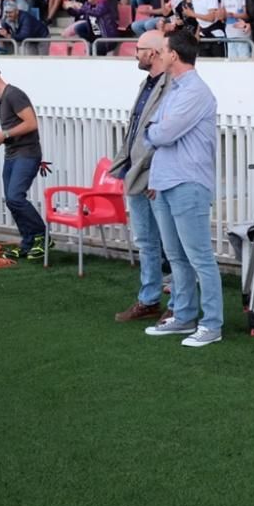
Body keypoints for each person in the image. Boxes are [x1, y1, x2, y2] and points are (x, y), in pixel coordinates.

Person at [143, 31, 223, 348]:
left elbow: (162, 133)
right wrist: (154, 178)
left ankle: (212, 324)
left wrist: (155, 131)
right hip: (165, 182)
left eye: (161, 51)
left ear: (173, 54)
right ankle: (185, 316)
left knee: (200, 257)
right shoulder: (174, 90)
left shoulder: (196, 92)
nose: (156, 55)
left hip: (188, 183)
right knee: (176, 257)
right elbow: (157, 130)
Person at [109, 31, 174, 322]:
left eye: (139, 49)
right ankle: (149, 300)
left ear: (154, 53)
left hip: (154, 176)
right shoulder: (147, 84)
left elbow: (164, 136)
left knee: (173, 244)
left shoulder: (173, 86)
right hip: (136, 173)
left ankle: (178, 304)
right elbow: (136, 130)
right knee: (147, 240)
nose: (135, 53)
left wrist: (153, 176)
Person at [0, 62, 50, 260]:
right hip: (13, 154)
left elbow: (31, 123)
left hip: (26, 154)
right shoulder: (1, 98)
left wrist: (4, 134)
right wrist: (4, 138)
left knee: (15, 197)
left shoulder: (14, 95)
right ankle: (28, 243)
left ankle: (42, 237)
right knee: (12, 200)